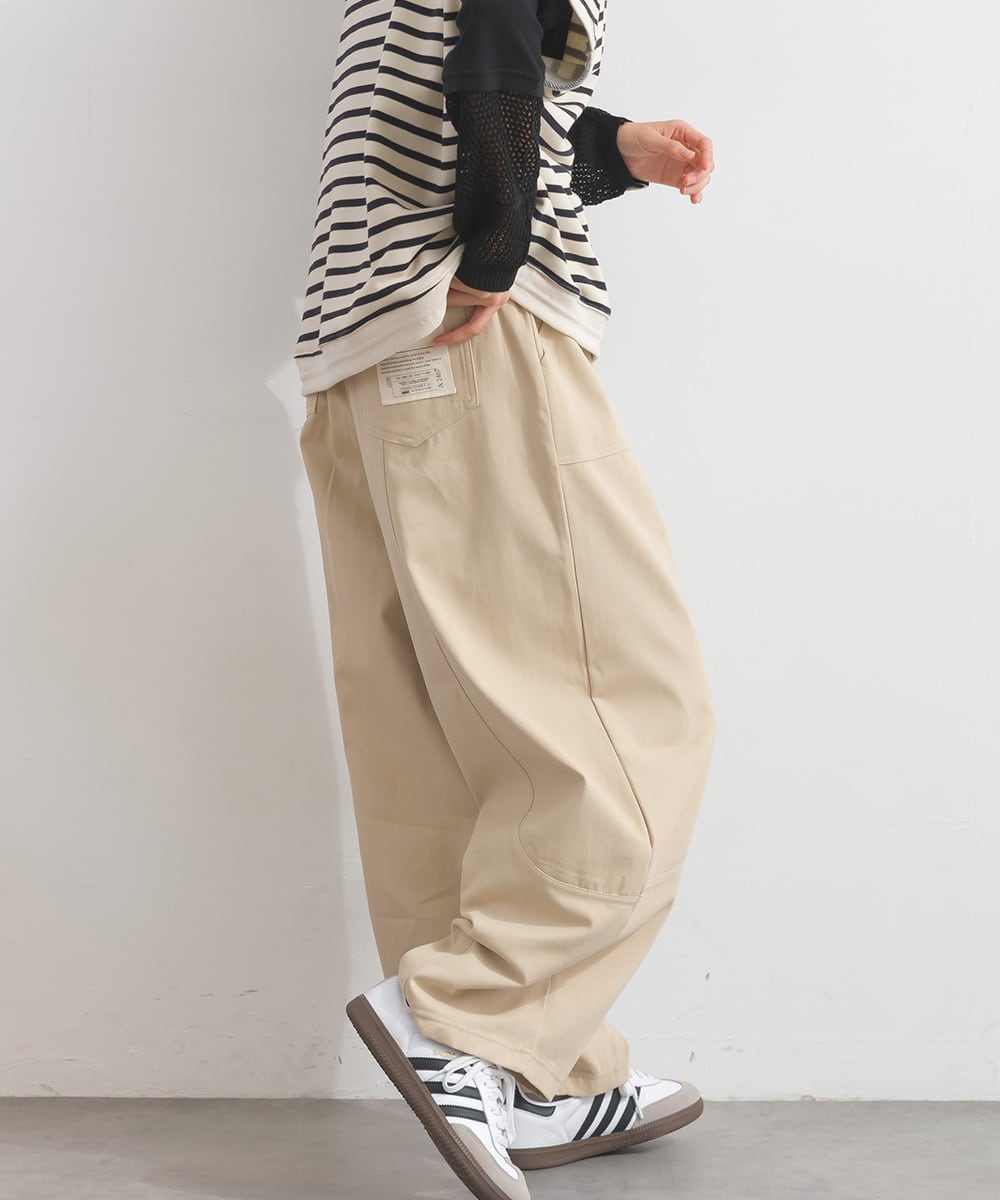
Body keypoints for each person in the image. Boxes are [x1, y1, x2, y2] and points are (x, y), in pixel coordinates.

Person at [295, 2, 717, 1197]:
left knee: (437, 740)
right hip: (477, 333)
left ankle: (534, 1074)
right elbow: (489, 72)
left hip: (364, 351)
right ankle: (469, 1019)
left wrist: (611, 148)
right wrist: (493, 252)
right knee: (630, 709)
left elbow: (446, 98)